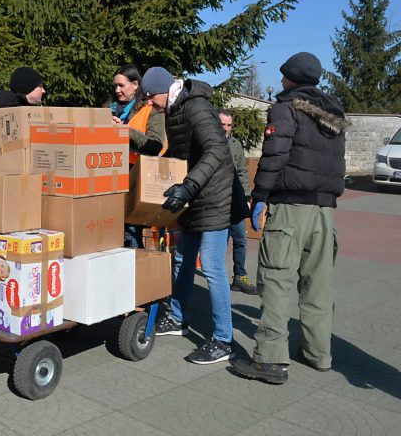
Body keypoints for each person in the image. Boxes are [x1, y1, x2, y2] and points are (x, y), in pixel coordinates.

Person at [231, 52, 350, 384]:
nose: (280, 81)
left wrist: (260, 197)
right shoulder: (333, 112)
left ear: (291, 78)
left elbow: (276, 154)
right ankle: (318, 354)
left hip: (290, 210)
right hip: (326, 212)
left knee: (276, 282)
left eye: (284, 76)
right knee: (318, 286)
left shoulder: (285, 108)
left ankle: (270, 359)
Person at [143, 67, 236, 365]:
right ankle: (178, 318)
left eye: (149, 97)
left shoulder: (196, 106)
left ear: (163, 90)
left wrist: (190, 185)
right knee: (183, 257)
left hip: (215, 196)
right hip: (195, 195)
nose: (148, 104)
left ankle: (223, 339)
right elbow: (182, 153)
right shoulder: (174, 109)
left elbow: (217, 150)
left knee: (211, 265)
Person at [106, 64, 166, 248]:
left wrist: (125, 131)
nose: (117, 90)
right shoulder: (109, 108)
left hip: (135, 178)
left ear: (135, 85)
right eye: (115, 86)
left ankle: (135, 272)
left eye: (121, 86)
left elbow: (155, 146)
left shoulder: (151, 109)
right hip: (111, 179)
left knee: (131, 233)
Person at [218, 109, 256, 295]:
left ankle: (239, 277)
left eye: (229, 125)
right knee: (220, 243)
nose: (226, 128)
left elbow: (242, 172)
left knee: (240, 239)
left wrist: (247, 197)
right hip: (218, 202)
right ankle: (218, 279)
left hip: (236, 201)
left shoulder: (235, 144)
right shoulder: (210, 142)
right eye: (223, 124)